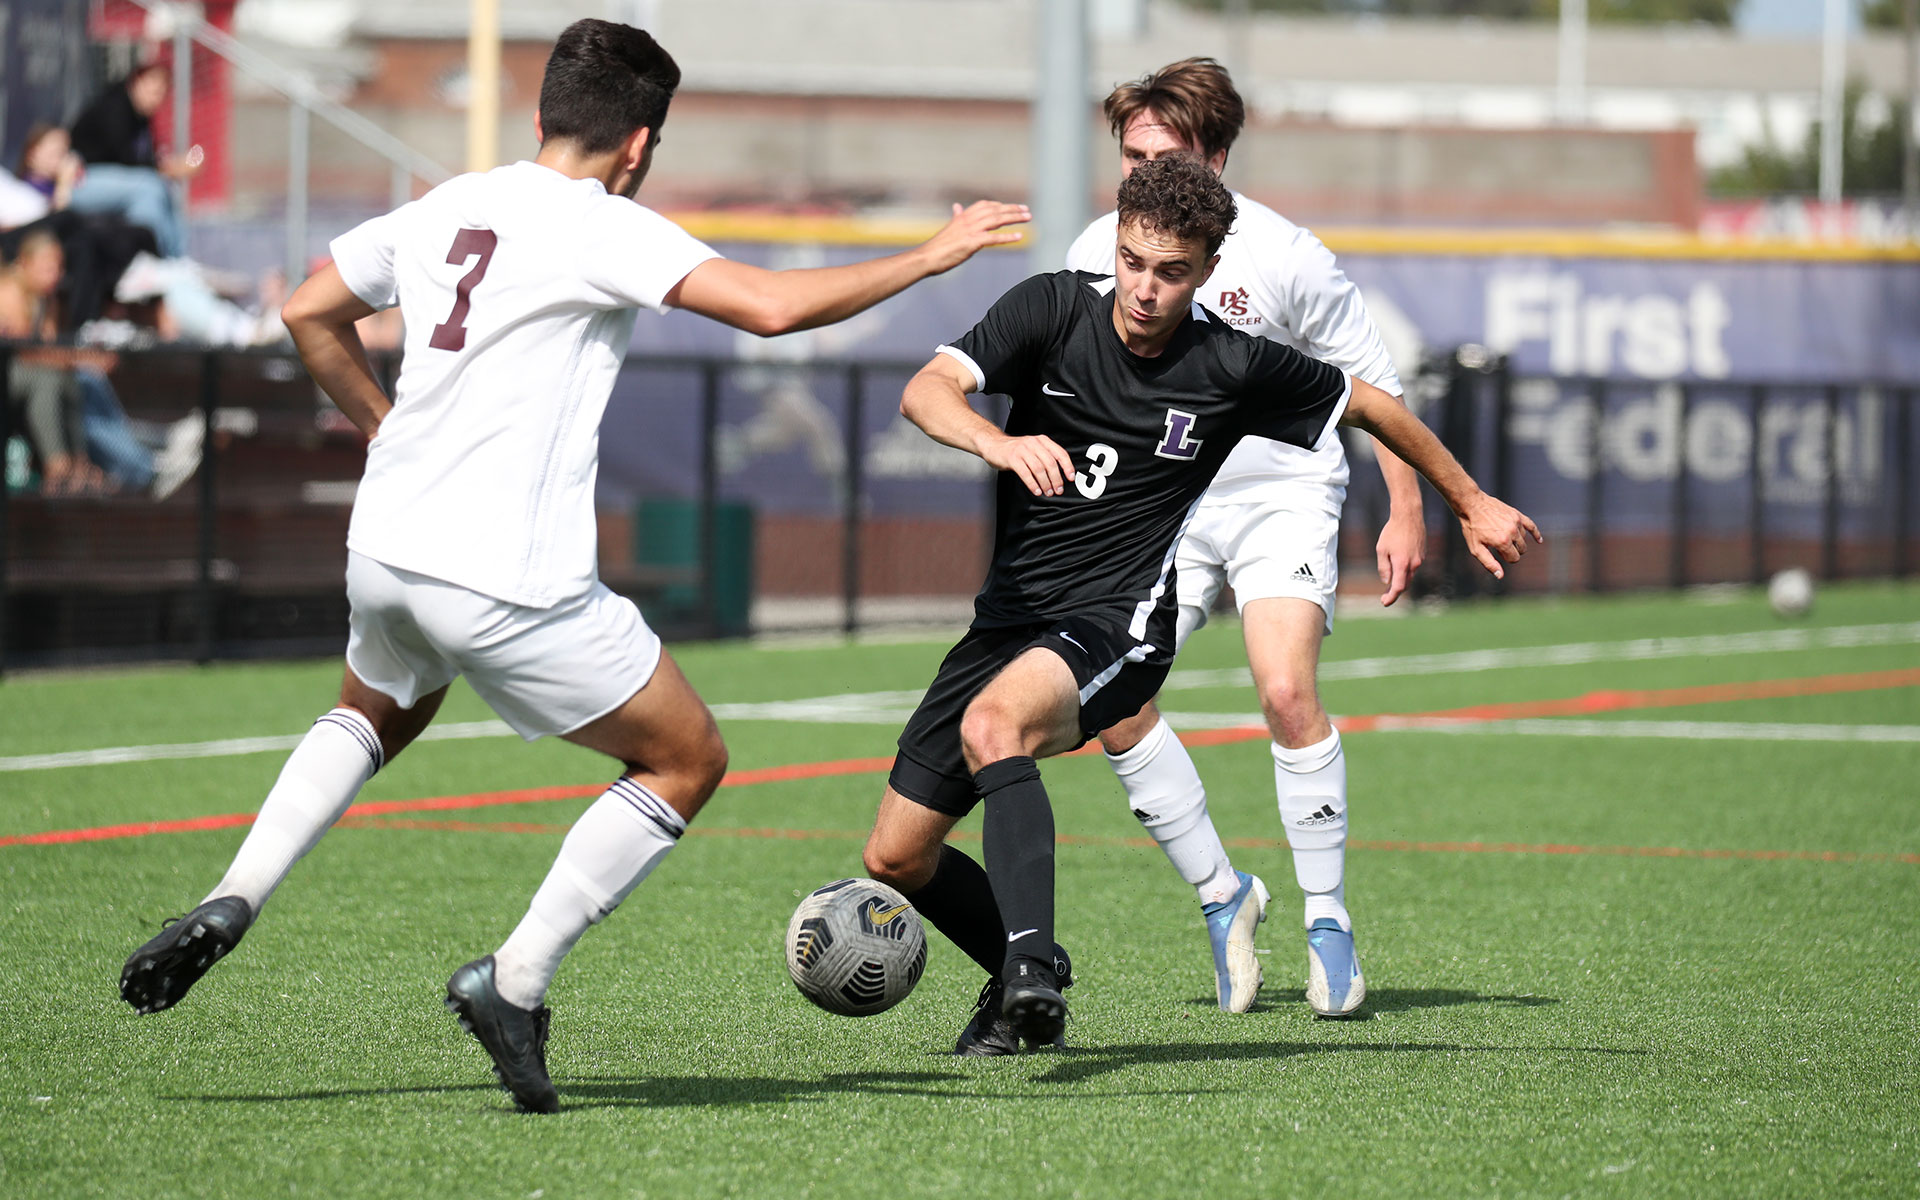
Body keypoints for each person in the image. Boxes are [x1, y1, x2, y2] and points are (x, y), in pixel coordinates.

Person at [116, 19, 1030, 1113]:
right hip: (506, 576)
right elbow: (775, 309)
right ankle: (516, 979)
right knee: (686, 757)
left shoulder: (451, 201)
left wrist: (382, 427)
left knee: (376, 709)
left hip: (385, 549)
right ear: (639, 143)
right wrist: (934, 254)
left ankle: (234, 896)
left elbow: (309, 309)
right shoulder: (601, 225)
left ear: (545, 111)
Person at [860, 155, 1538, 1055]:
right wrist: (999, 440)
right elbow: (925, 392)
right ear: (1117, 241)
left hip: (1118, 619)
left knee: (996, 728)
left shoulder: (1231, 363)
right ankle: (1030, 971)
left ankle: (1026, 976)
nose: (1146, 288)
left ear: (1208, 269)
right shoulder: (1051, 306)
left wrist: (1468, 500)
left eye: (1172, 271)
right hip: (1009, 619)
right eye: (1135, 261)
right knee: (897, 856)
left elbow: (1374, 406)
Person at [1065, 58, 1424, 1017]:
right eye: (1130, 157)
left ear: (1216, 159)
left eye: (1165, 157)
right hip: (1158, 502)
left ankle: (1327, 919)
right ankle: (1225, 897)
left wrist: (1410, 502)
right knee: (1101, 697)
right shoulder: (1099, 247)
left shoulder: (1288, 254)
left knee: (1283, 687)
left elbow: (1373, 385)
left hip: (1280, 492)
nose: (1143, 178)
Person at [0, 231, 107, 494]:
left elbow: (49, 348)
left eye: (59, 267)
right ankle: (58, 467)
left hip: (27, 377)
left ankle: (77, 463)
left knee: (67, 379)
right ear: (24, 262)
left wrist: (78, 361)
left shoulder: (45, 298)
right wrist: (82, 359)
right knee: (47, 379)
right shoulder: (9, 293)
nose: (57, 274)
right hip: (8, 378)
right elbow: (28, 353)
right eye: (49, 267)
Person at [67, 62, 199, 258]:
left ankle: (167, 260)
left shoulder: (141, 116)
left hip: (117, 182)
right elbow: (125, 159)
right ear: (135, 83)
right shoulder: (115, 107)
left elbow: (146, 161)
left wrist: (167, 169)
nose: (156, 98)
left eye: (161, 93)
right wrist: (170, 168)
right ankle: (161, 259)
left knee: (154, 195)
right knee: (151, 186)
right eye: (152, 90)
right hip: (79, 181)